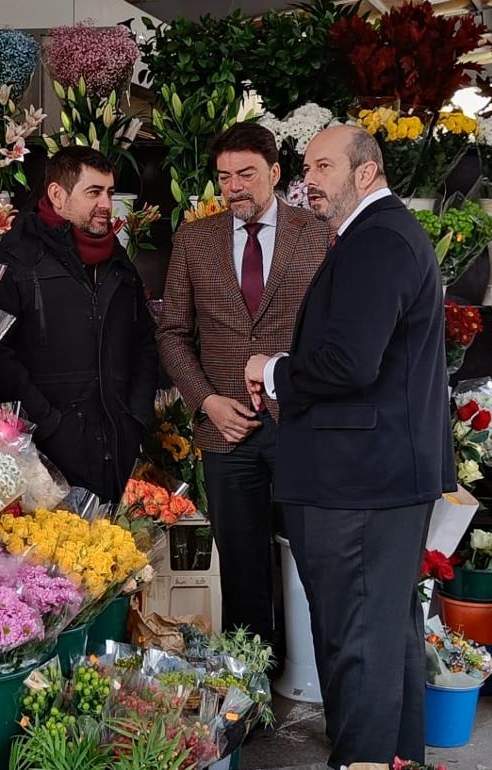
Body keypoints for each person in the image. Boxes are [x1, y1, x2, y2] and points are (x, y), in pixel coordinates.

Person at [243, 125, 454, 767]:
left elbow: (349, 362)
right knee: (384, 637)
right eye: (306, 165)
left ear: (366, 173)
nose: (310, 178)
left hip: (361, 484)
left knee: (357, 645)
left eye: (323, 165)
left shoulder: (380, 239)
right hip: (370, 477)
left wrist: (273, 369)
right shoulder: (374, 236)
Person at [157, 123, 330, 647]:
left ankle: (328, 679)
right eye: (224, 176)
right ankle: (251, 688)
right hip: (226, 430)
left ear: (275, 174)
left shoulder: (320, 233)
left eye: (247, 174)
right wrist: (207, 402)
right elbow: (171, 333)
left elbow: (336, 330)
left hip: (304, 423)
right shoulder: (194, 239)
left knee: (319, 556)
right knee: (241, 564)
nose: (234, 186)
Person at [0, 146, 159, 501]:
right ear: (58, 195)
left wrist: (135, 418)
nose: (106, 203)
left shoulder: (119, 266)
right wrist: (47, 422)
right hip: (41, 458)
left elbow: (144, 345)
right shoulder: (14, 259)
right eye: (94, 192)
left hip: (115, 452)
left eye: (109, 192)